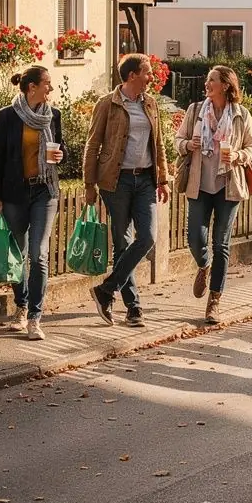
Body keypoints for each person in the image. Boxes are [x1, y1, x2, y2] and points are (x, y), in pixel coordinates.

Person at [84, 52, 169, 329]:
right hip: (116, 181)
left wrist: (163, 178)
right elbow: (92, 144)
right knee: (122, 243)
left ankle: (106, 290)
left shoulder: (151, 103)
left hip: (145, 180)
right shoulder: (107, 104)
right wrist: (89, 185)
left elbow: (158, 143)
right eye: (147, 72)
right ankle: (133, 307)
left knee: (147, 237)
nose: (151, 77)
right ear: (132, 75)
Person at [175, 65, 252, 325]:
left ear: (225, 85)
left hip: (228, 185)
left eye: (212, 80)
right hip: (199, 184)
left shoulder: (241, 115)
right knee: (194, 238)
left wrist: (237, 156)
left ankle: (214, 301)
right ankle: (203, 265)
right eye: (208, 80)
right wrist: (188, 145)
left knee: (222, 243)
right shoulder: (195, 111)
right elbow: (177, 140)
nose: (207, 84)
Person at [0, 66, 66, 341]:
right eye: (47, 83)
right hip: (14, 194)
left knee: (39, 254)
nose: (50, 88)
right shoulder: (7, 117)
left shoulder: (53, 115)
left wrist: (59, 156)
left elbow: (60, 147)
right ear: (31, 87)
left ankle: (35, 317)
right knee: (18, 255)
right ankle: (20, 308)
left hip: (45, 191)